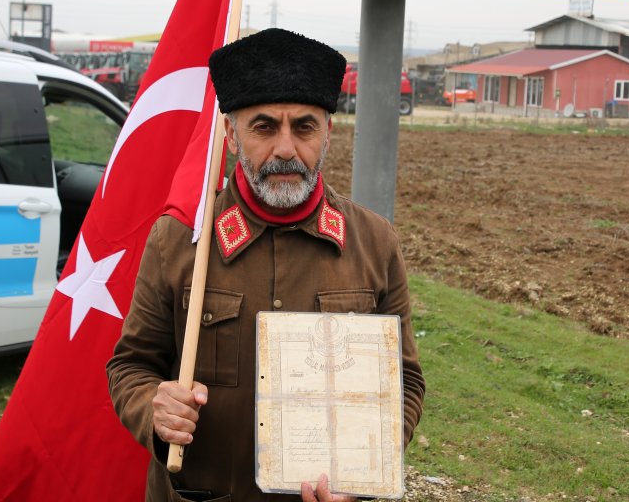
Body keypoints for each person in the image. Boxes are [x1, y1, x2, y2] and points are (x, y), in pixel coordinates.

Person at [108, 28, 424, 502]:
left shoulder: (374, 243)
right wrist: (154, 409)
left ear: (328, 134)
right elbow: (131, 365)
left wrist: (365, 469)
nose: (284, 149)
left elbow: (404, 382)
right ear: (231, 135)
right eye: (263, 127)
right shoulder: (177, 241)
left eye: (304, 127)